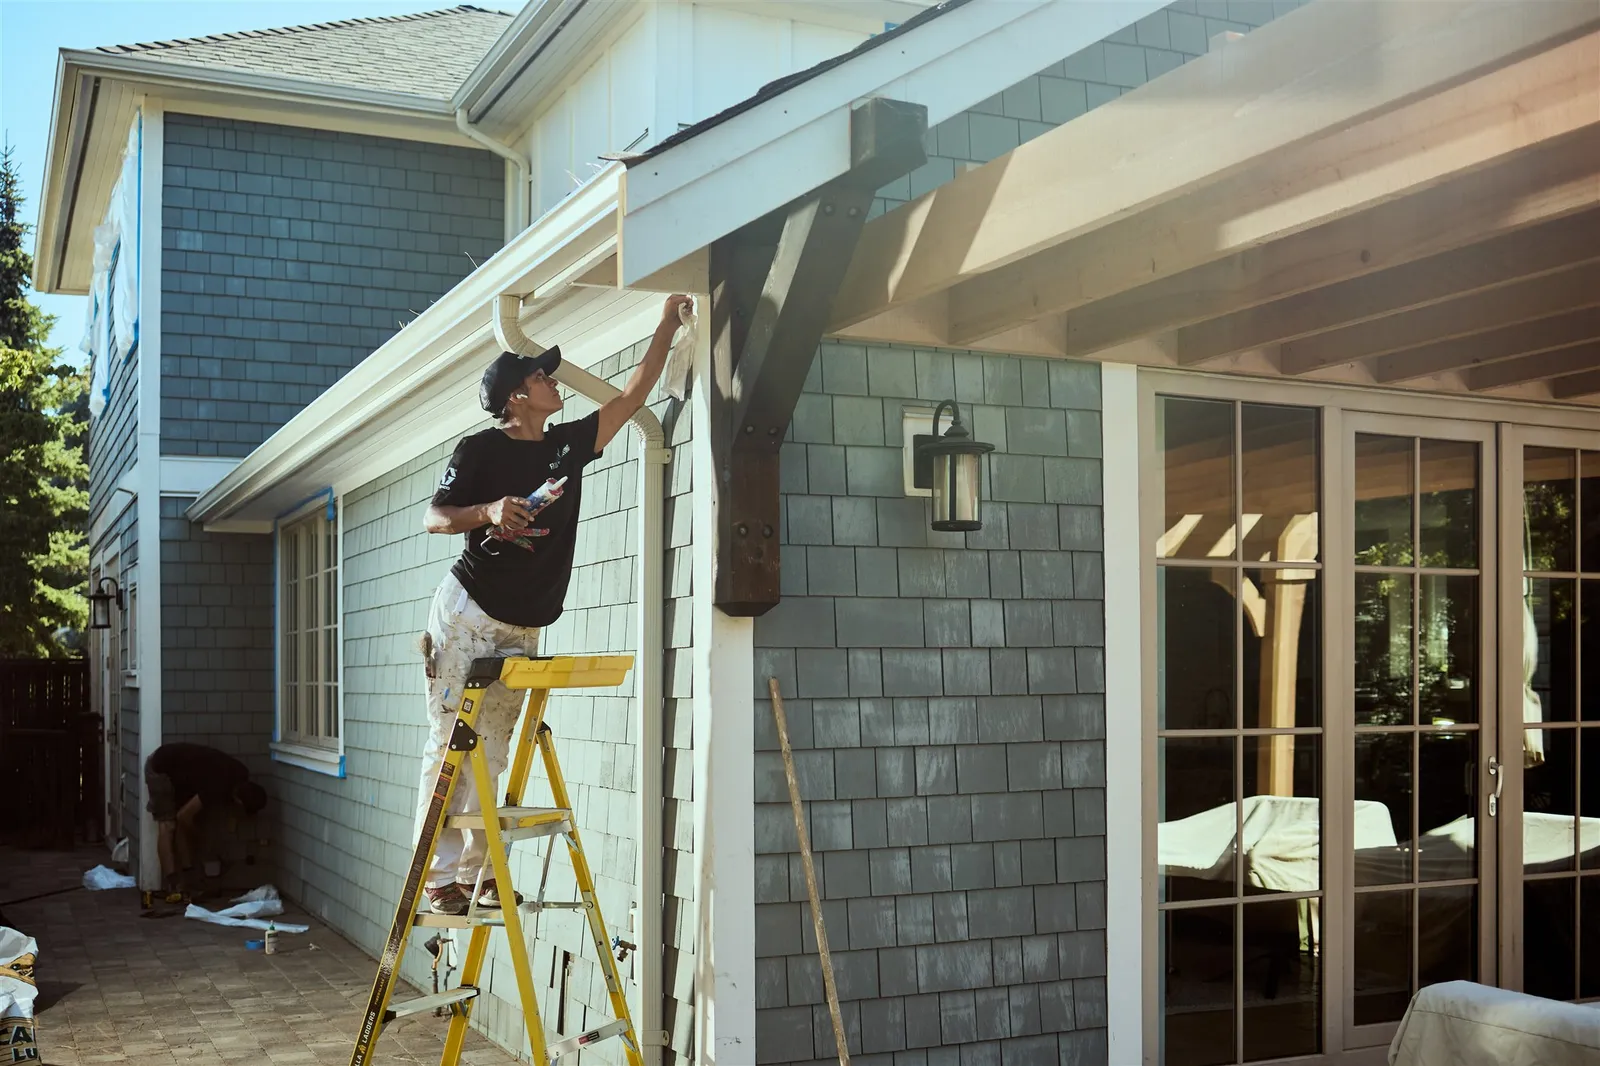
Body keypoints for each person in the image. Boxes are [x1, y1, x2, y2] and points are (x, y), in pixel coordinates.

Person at [417, 293, 692, 915]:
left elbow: (633, 394)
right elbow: (435, 518)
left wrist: (664, 322)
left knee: (491, 749)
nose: (551, 380)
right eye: (541, 376)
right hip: (469, 612)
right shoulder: (479, 452)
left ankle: (480, 879)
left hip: (524, 623)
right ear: (516, 395)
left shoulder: (567, 446)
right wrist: (486, 511)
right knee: (449, 745)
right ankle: (438, 880)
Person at [144, 742, 267, 894]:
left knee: (183, 824)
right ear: (239, 801)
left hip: (184, 775)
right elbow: (184, 817)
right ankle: (172, 885)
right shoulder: (218, 786)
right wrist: (199, 836)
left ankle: (188, 880)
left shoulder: (241, 775)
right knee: (168, 826)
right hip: (161, 767)